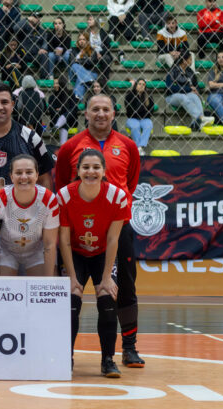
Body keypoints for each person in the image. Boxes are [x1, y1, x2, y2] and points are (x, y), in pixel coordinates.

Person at [54, 94, 145, 370]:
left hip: (117, 227)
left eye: (106, 109)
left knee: (124, 286)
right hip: (78, 228)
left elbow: (131, 182)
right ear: (86, 113)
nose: (101, 114)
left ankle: (128, 348)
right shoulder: (71, 146)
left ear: (114, 113)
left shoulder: (128, 145)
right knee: (71, 293)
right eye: (95, 109)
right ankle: (62, 353)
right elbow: (61, 181)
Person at [57, 149, 128, 377]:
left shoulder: (117, 197)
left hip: (102, 255)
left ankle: (108, 360)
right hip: (74, 254)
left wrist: (106, 277)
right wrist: (71, 277)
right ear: (78, 171)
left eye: (96, 167)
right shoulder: (64, 196)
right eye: (85, 167)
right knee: (71, 301)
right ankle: (65, 357)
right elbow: (64, 241)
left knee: (107, 300)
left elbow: (113, 239)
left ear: (104, 171)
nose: (90, 172)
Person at [0, 154, 58, 276]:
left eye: (29, 172)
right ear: (11, 177)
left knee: (43, 290)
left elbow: (49, 243)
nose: (24, 177)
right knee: (2, 290)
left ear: (37, 175)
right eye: (18, 173)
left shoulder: (49, 199)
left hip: (36, 251)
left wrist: (48, 281)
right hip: (6, 251)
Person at [165, 51, 215, 130]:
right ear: (184, 61)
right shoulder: (173, 71)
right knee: (182, 97)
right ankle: (201, 118)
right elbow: (170, 88)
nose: (192, 62)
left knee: (194, 97)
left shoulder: (190, 71)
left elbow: (196, 85)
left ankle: (195, 124)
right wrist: (188, 89)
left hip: (187, 95)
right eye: (190, 59)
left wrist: (196, 91)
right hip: (172, 96)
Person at [124, 78, 155, 154]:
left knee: (149, 124)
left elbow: (151, 111)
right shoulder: (129, 95)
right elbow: (130, 111)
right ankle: (139, 148)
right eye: (139, 84)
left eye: (143, 84)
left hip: (144, 119)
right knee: (135, 126)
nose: (141, 86)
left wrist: (140, 111)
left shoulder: (148, 96)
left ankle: (140, 146)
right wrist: (142, 109)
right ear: (136, 85)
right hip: (132, 118)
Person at [47, 75, 78, 144]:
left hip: (70, 120)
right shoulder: (52, 97)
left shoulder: (70, 94)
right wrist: (62, 110)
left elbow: (74, 109)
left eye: (57, 83)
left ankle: (58, 125)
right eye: (54, 83)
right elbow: (52, 110)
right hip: (55, 119)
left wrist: (61, 110)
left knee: (69, 113)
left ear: (62, 83)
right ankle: (63, 144)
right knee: (62, 117)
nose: (55, 85)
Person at [69, 32, 99, 100]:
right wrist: (85, 60)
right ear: (77, 41)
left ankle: (76, 98)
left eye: (84, 39)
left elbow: (91, 62)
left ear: (87, 41)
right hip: (75, 74)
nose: (81, 41)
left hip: (91, 73)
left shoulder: (92, 50)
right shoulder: (73, 50)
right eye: (80, 39)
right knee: (74, 65)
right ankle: (88, 79)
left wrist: (78, 60)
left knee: (80, 80)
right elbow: (72, 62)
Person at [85, 15, 116, 79]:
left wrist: (100, 53)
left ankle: (105, 77)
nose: (88, 21)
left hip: (102, 53)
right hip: (91, 53)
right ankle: (91, 77)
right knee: (89, 58)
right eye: (88, 20)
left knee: (106, 58)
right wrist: (96, 52)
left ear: (95, 21)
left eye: (90, 20)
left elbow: (108, 45)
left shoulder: (102, 31)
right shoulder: (86, 32)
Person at [21, 13, 49, 77]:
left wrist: (43, 48)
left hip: (36, 55)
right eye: (36, 17)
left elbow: (45, 42)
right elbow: (15, 28)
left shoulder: (42, 31)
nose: (38, 19)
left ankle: (44, 79)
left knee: (44, 55)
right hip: (24, 54)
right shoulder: (24, 29)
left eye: (39, 17)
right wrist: (26, 19)